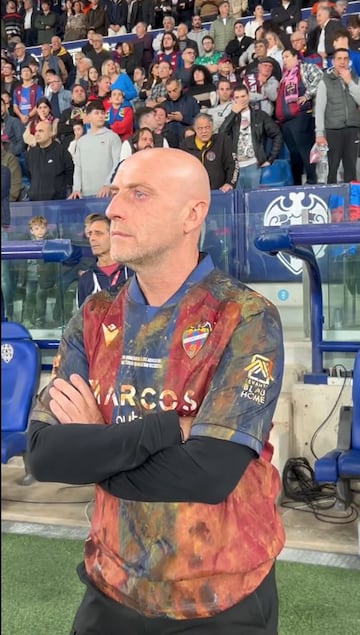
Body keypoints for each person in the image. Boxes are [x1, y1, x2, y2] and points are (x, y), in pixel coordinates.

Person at [27, 146, 284, 635]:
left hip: (223, 596)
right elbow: (44, 456)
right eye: (117, 193)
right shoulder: (93, 316)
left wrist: (96, 445)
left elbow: (207, 476)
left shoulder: (245, 316)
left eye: (139, 194)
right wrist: (168, 428)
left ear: (193, 214)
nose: (115, 209)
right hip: (112, 584)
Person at [220, 84, 283, 190]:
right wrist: (233, 113)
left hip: (254, 165)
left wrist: (270, 159)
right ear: (233, 100)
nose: (241, 100)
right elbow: (221, 135)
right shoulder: (231, 118)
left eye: (243, 96)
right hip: (235, 168)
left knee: (255, 200)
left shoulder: (260, 116)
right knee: (238, 202)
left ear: (248, 96)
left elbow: (277, 134)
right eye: (237, 97)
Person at [315, 47, 360, 184]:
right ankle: (334, 202)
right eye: (339, 59)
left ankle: (353, 203)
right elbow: (319, 109)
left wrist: (349, 82)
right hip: (333, 130)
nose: (342, 62)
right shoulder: (325, 81)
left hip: (352, 129)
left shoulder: (355, 79)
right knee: (332, 168)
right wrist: (319, 133)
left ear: (349, 61)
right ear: (333, 61)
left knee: (351, 168)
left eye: (345, 59)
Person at [77, 214, 130, 307]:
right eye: (90, 234)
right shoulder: (86, 279)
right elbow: (82, 318)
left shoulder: (133, 273)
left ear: (113, 235)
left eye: (98, 233)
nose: (92, 238)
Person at [20, 215, 57, 328]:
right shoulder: (26, 242)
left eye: (42, 228)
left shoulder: (50, 242)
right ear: (31, 231)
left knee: (41, 297)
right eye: (36, 229)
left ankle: (40, 320)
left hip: (44, 277)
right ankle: (27, 320)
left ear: (46, 229)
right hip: (30, 276)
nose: (40, 231)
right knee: (29, 296)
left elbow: (53, 263)